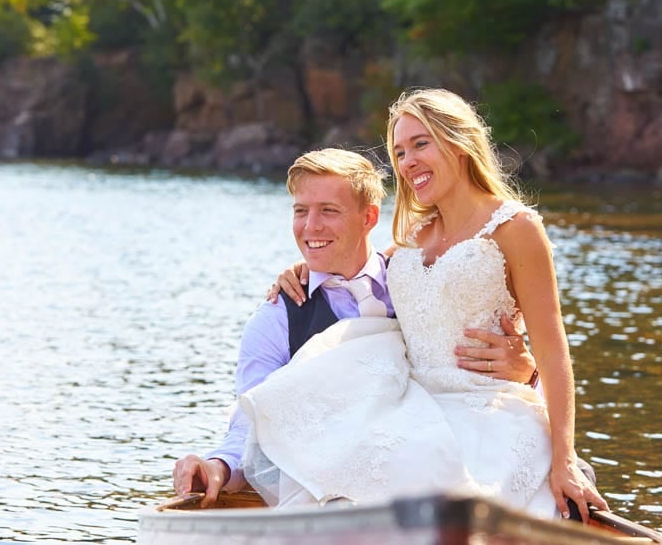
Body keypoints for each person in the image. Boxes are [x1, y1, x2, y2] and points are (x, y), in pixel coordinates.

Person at [248, 89, 608, 522]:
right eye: (399, 151)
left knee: (454, 504)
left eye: (421, 144)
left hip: (487, 413)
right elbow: (350, 260)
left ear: (458, 142)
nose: (407, 162)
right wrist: (305, 267)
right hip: (412, 408)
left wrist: (564, 456)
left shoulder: (517, 228)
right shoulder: (411, 238)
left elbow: (554, 351)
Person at [172, 148, 540, 508]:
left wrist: (527, 373)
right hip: (343, 493)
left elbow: (471, 372)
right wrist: (217, 467)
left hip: (451, 456)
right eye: (301, 211)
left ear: (369, 218)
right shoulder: (276, 319)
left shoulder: (416, 281)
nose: (310, 226)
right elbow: (251, 423)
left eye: (328, 211)